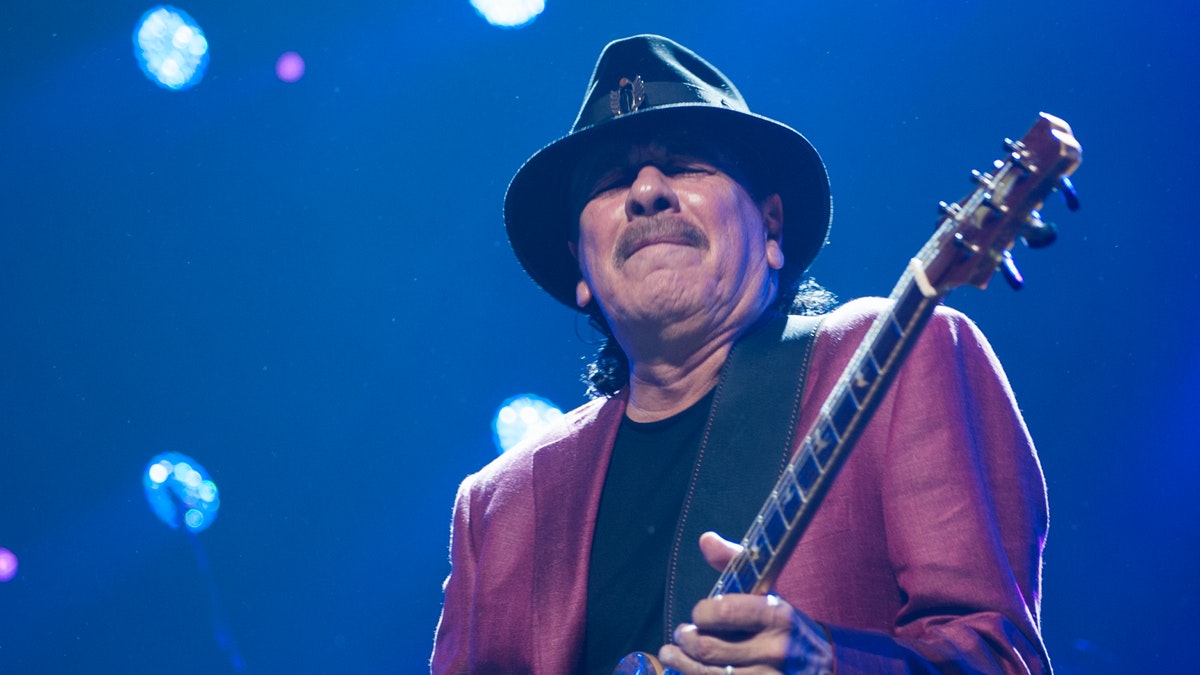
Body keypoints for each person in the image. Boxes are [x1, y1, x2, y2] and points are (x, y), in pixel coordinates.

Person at [431, 34, 1051, 674]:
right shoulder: (497, 505)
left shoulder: (894, 357)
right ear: (579, 268)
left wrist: (825, 665)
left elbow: (999, 658)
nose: (647, 190)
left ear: (771, 225)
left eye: (685, 165)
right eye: (612, 180)